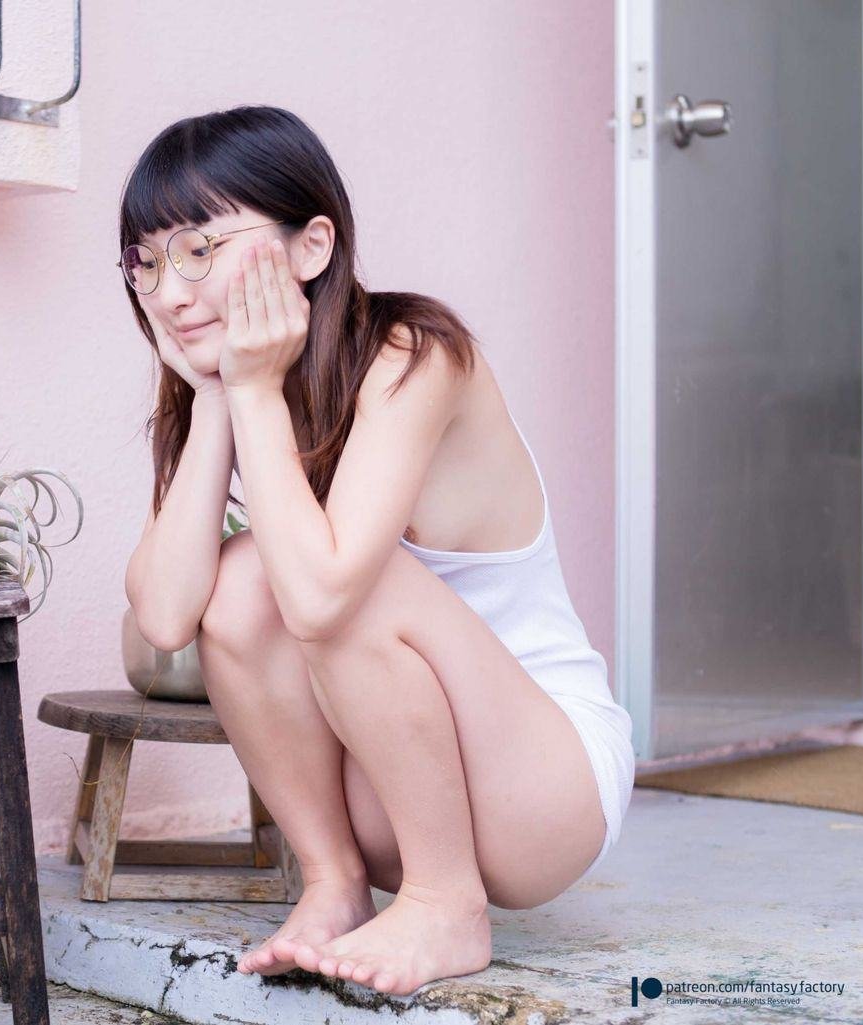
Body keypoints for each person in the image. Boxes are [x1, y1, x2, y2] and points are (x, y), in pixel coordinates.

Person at [119, 105, 635, 998]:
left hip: (546, 789)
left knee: (328, 582)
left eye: (199, 248)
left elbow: (322, 597)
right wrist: (218, 398)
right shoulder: (234, 387)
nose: (169, 291)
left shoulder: (414, 353)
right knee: (240, 582)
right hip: (399, 791)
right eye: (147, 262)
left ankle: (445, 902)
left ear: (312, 246)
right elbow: (166, 617)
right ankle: (334, 881)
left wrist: (252, 391)